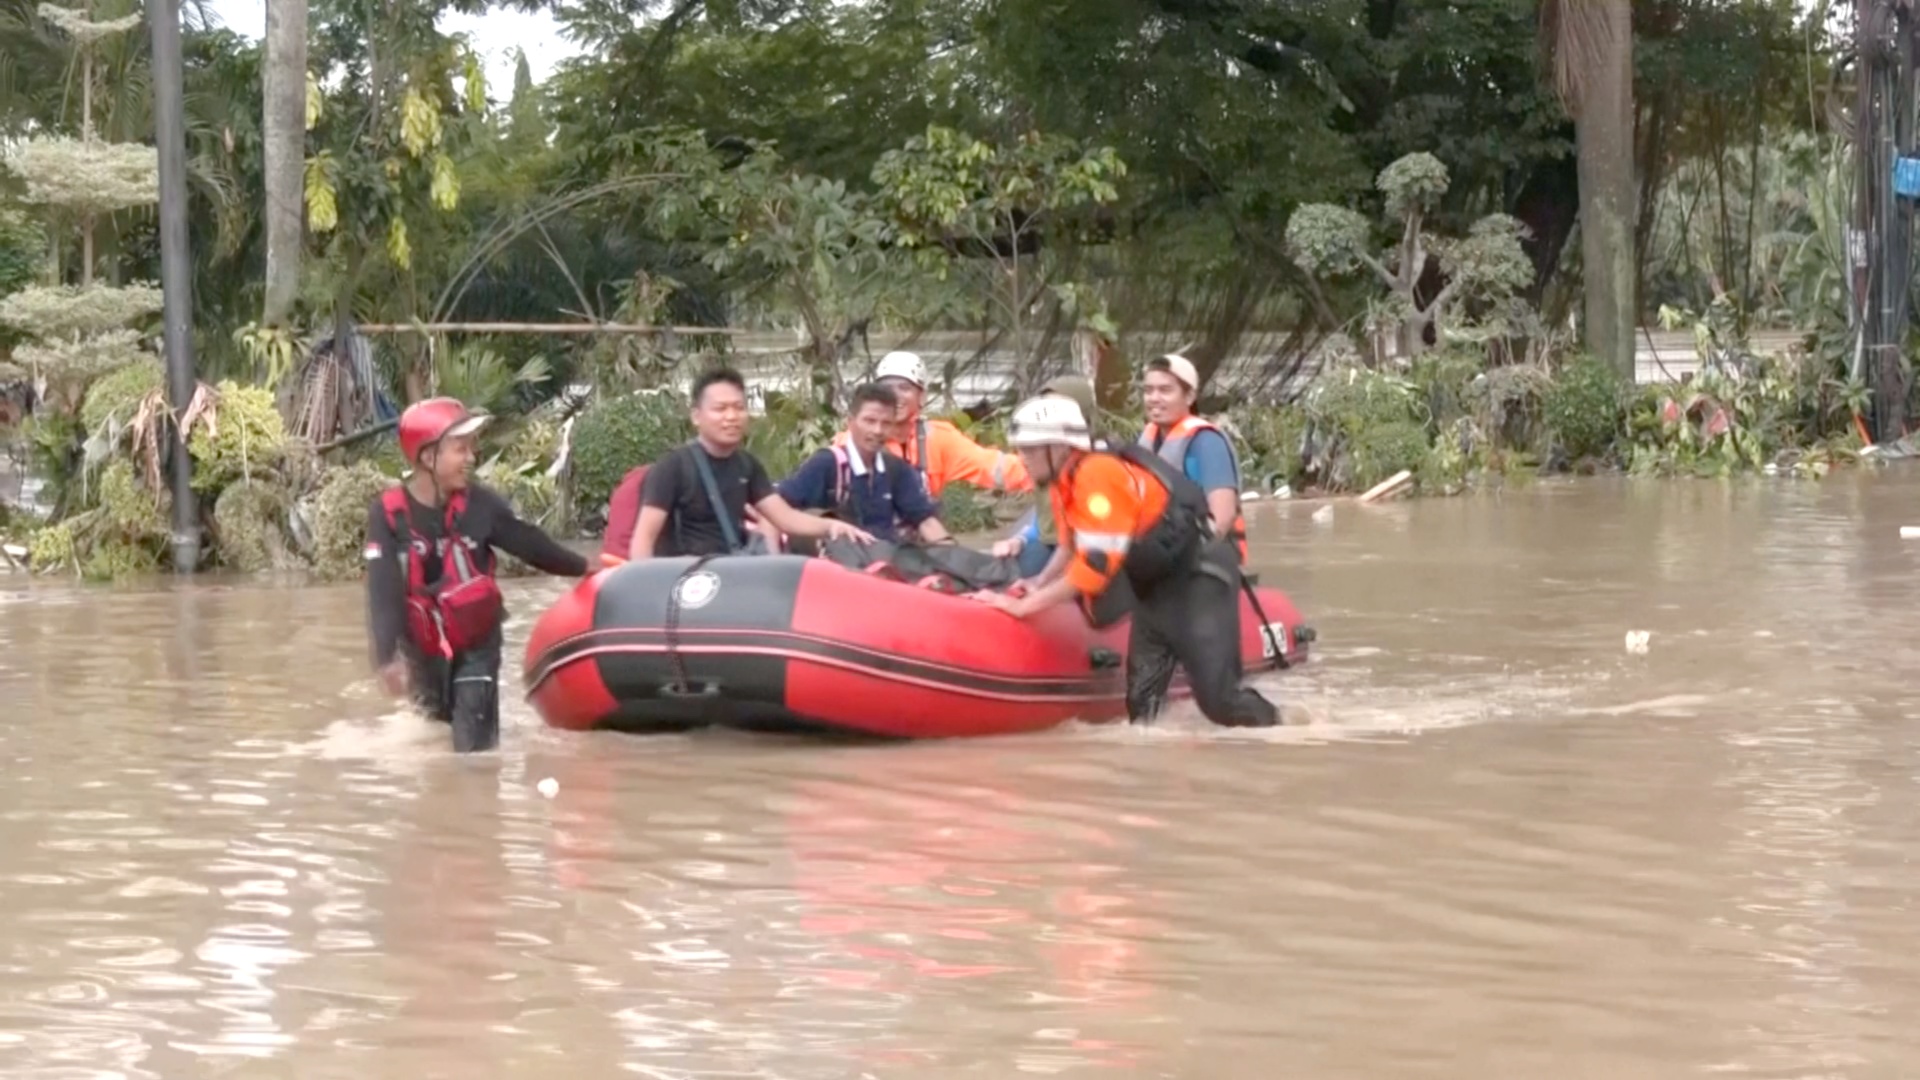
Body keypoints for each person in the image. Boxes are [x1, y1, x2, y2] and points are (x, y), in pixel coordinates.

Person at [969, 394, 1277, 729]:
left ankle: (1281, 727)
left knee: (1220, 703)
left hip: (1199, 577)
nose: (1022, 458)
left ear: (1058, 447)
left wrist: (1022, 607)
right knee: (1142, 708)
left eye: (1029, 449)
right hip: (1156, 583)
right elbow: (1070, 546)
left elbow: (1093, 572)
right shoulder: (1063, 481)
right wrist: (1037, 583)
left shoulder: (1098, 477)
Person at [365, 397, 590, 753]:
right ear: (428, 457)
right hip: (422, 649)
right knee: (434, 737)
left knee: (473, 752)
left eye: (472, 448)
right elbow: (383, 591)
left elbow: (529, 544)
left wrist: (584, 568)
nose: (471, 458)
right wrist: (386, 658)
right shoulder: (388, 514)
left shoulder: (482, 505)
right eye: (460, 449)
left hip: (477, 645)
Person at [628, 367, 876, 559]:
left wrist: (832, 526)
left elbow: (785, 518)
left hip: (732, 571)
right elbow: (643, 540)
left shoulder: (746, 465)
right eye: (720, 409)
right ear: (696, 416)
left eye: (739, 408)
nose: (731, 416)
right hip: (687, 578)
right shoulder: (673, 467)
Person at [833, 351, 1034, 500]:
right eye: (887, 388)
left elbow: (995, 468)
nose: (895, 396)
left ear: (921, 396)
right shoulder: (851, 441)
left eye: (904, 388)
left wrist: (1045, 470)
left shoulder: (938, 438)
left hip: (920, 535)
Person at [776, 381, 951, 545]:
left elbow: (924, 520)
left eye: (886, 423)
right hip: (837, 563)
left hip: (884, 559)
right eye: (870, 421)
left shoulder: (896, 470)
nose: (878, 430)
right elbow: (774, 509)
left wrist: (950, 553)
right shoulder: (827, 464)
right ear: (850, 422)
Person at [1138, 353, 1248, 563]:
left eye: (1165, 390)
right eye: (1148, 390)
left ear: (1189, 397)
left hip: (1209, 558)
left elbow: (1222, 516)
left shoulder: (1206, 442)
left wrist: (1179, 557)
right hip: (1162, 550)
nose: (1154, 398)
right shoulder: (1146, 440)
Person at [991, 374, 1104, 577]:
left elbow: (1092, 561)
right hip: (1051, 541)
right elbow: (1045, 517)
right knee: (1008, 573)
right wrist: (1020, 539)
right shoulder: (1050, 464)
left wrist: (1040, 589)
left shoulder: (1098, 468)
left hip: (1091, 551)